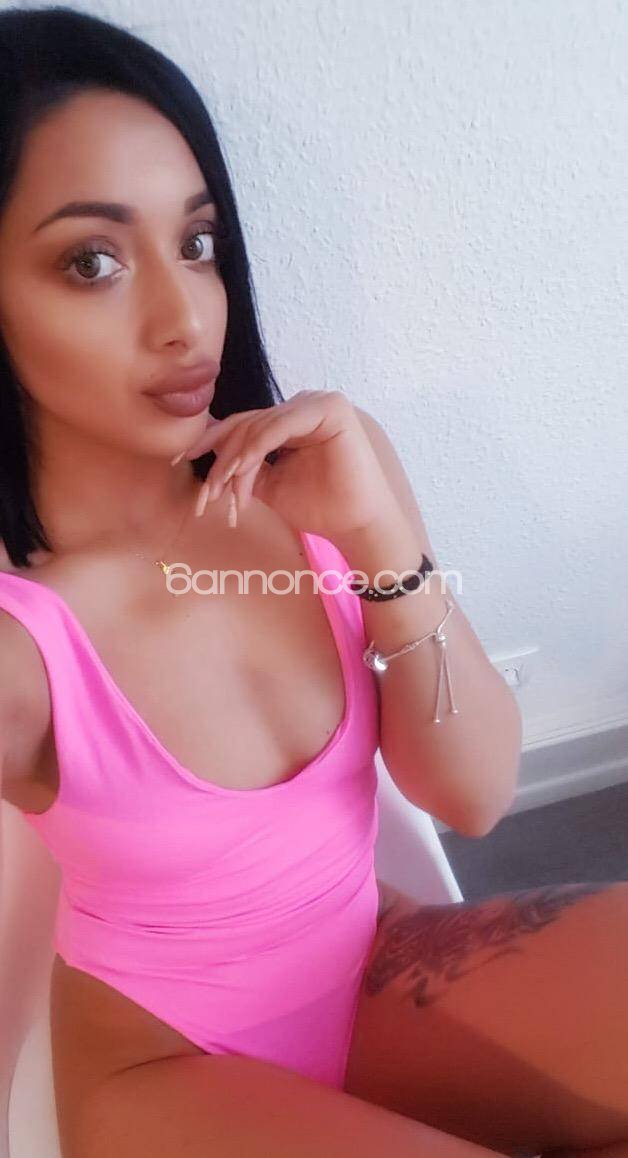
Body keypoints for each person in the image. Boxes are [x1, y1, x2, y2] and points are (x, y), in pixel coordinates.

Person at [0, 8, 627, 1158]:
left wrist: (378, 536)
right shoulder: (20, 643)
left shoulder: (319, 474)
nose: (184, 316)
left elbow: (474, 794)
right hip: (165, 1077)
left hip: (367, 963)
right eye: (93, 261)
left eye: (197, 243)